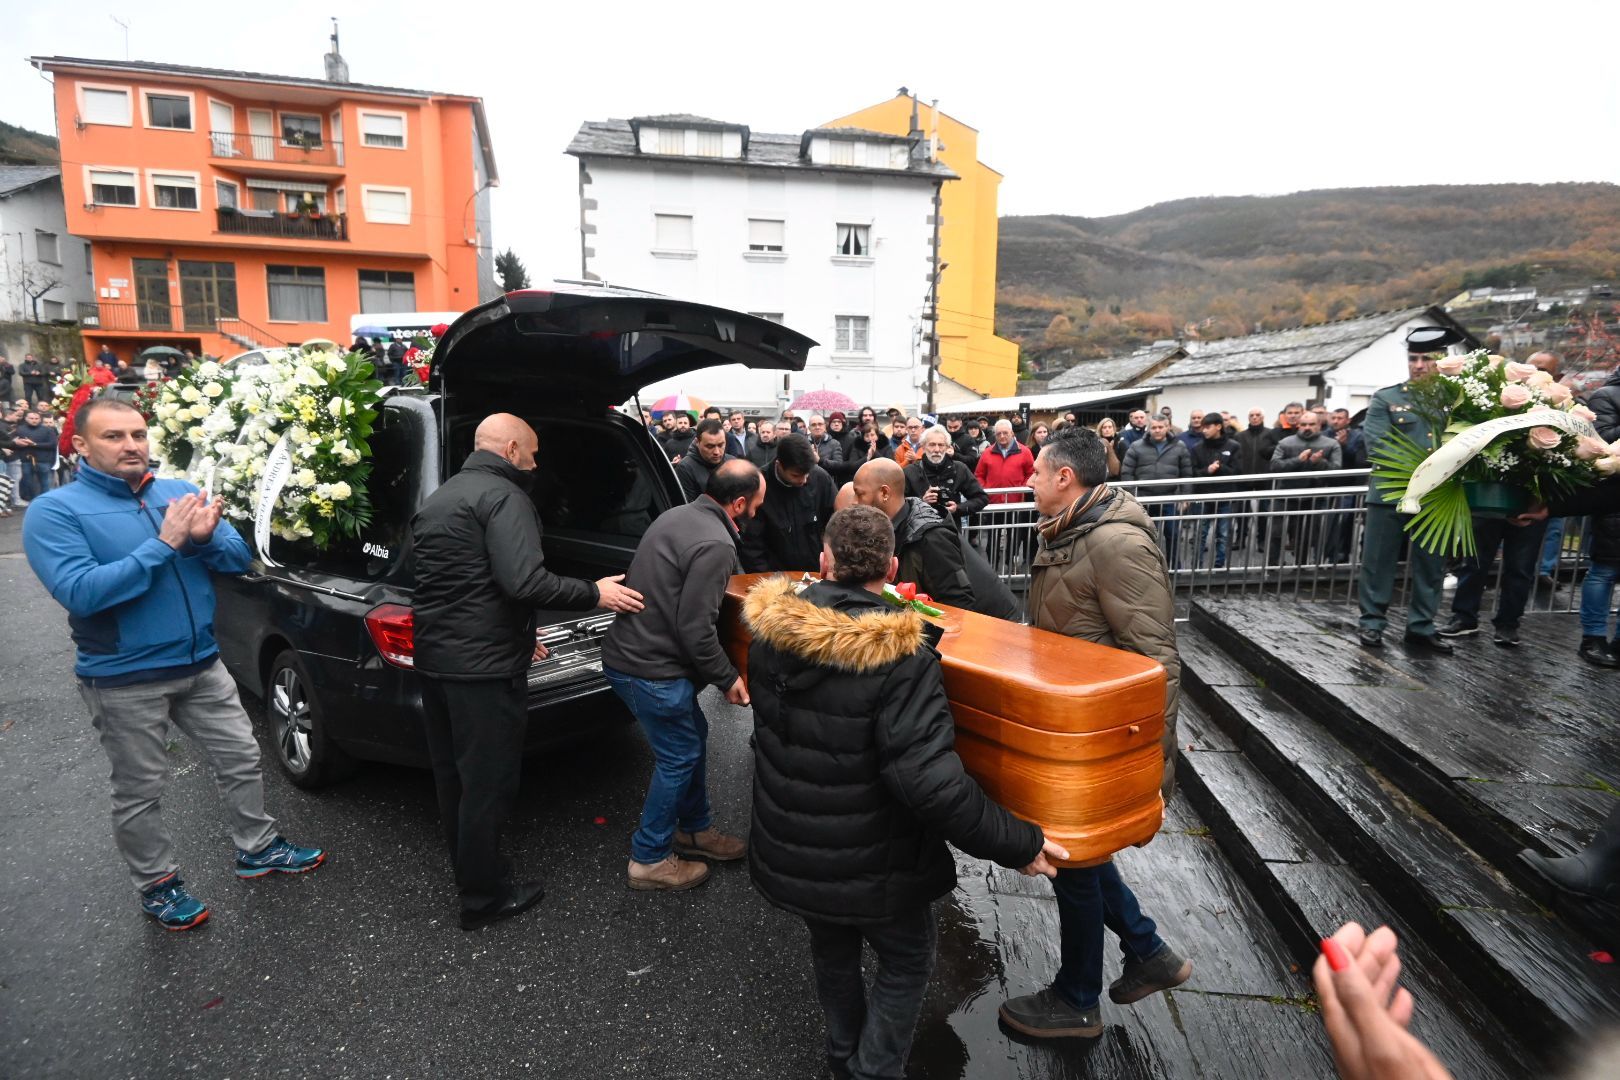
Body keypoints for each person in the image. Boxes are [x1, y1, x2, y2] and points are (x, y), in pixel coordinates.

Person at [743, 506, 1063, 1078]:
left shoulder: (771, 632)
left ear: (824, 562)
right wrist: (1018, 843)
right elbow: (930, 783)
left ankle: (843, 1057)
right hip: (876, 856)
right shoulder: (902, 658)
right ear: (891, 568)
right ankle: (872, 1070)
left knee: (832, 948)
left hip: (794, 841)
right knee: (907, 959)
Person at [23, 398, 325, 930]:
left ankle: (257, 848)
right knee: (141, 789)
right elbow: (82, 592)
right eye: (114, 436)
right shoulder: (56, 511)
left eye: (138, 434)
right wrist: (166, 544)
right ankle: (158, 886)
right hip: (123, 675)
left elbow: (236, 563)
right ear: (81, 446)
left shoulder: (179, 492)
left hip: (202, 664)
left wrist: (206, 541)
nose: (131, 445)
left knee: (241, 757)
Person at [410, 413, 644, 929]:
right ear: (512, 448)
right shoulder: (506, 498)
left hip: (438, 661)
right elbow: (525, 582)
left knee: (454, 780)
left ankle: (473, 876)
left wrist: (518, 632)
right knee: (488, 784)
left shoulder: (441, 497)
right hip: (484, 672)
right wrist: (594, 593)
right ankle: (485, 897)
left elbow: (458, 586)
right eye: (533, 453)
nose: (536, 464)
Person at [999, 426, 1190, 1038]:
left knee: (1074, 861)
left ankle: (1078, 999)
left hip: (1103, 734)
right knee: (1079, 857)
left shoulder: (1113, 543)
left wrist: (1151, 761)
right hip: (1074, 727)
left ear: (1065, 479)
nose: (1027, 480)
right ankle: (1148, 952)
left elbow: (1156, 658)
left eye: (1035, 471)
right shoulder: (1071, 531)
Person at [602, 460, 763, 892]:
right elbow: (695, 628)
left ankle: (694, 831)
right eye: (757, 506)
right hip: (650, 669)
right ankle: (649, 858)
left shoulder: (678, 514)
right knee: (678, 756)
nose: (757, 515)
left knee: (691, 735)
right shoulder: (716, 543)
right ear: (741, 503)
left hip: (632, 658)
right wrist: (729, 678)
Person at [1357, 349, 1451, 654]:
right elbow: (1378, 445)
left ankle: (1422, 626)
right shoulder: (1387, 398)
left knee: (1432, 566)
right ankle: (1372, 623)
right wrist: (1426, 472)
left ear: (1442, 361)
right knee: (1378, 563)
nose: (1419, 365)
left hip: (1437, 496)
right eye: (1413, 358)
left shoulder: (1455, 400)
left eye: (1426, 359)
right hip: (1390, 493)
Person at [857, 457, 1018, 620]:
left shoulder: (931, 537)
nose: (855, 504)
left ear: (884, 493)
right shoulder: (899, 523)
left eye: (859, 494)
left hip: (992, 626)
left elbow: (958, 605)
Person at [741, 433, 837, 573]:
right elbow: (751, 544)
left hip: (816, 572)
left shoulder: (820, 479)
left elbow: (837, 525)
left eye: (807, 474)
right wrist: (765, 579)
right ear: (779, 465)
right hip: (775, 578)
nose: (803, 480)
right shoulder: (759, 486)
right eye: (796, 475)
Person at [1120, 417, 1191, 566]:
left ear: (1167, 428)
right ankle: (1147, 567)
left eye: (1160, 427)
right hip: (1144, 500)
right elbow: (1127, 473)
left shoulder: (1179, 446)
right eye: (1154, 427)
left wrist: (1185, 497)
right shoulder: (1136, 446)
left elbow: (1186, 473)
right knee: (1144, 536)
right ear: (1149, 428)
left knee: (1173, 534)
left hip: (1169, 498)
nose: (1157, 430)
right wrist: (1133, 497)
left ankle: (1174, 568)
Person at [904, 424, 988, 529]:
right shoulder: (910, 471)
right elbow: (898, 505)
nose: (937, 449)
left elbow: (981, 498)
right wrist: (921, 502)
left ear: (948, 447)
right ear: (923, 447)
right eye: (932, 445)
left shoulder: (959, 469)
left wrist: (958, 508)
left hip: (950, 533)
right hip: (919, 535)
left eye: (941, 445)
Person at [1187, 409, 1241, 569]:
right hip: (1203, 496)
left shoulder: (1233, 446)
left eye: (1207, 427)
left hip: (1225, 495)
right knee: (1199, 534)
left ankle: (1219, 567)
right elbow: (1193, 472)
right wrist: (1207, 471)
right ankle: (1196, 567)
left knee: (1223, 534)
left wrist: (1220, 468)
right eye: (1203, 427)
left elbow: (1238, 471)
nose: (1204, 430)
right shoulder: (1197, 448)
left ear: (1218, 426)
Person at [674, 418, 737, 501]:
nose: (717, 452)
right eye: (710, 446)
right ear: (697, 442)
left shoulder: (732, 462)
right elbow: (687, 507)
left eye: (721, 445)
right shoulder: (685, 468)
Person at [974, 419, 1035, 503]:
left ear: (1012, 433)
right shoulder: (987, 453)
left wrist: (1022, 489)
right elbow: (979, 475)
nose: (1002, 436)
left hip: (1016, 503)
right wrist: (986, 490)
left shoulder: (1025, 452)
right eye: (999, 433)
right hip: (992, 503)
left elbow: (1031, 473)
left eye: (1005, 433)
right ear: (995, 435)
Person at [13, 409, 57, 503]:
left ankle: (46, 500)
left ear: (40, 419)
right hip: (26, 459)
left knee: (45, 482)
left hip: (43, 459)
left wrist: (35, 444)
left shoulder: (47, 430)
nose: (34, 420)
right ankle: (33, 500)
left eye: (36, 418)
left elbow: (52, 444)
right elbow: (14, 443)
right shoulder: (20, 429)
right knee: (28, 481)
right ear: (26, 418)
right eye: (32, 418)